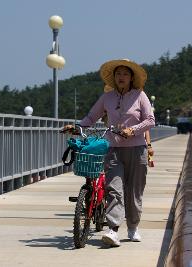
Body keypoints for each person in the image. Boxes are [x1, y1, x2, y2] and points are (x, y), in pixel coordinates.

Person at [66, 59, 155, 247]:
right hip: (113, 149)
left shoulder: (140, 95)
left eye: (125, 74)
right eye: (118, 74)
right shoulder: (107, 97)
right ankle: (113, 229)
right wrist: (77, 127)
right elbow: (91, 117)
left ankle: (133, 227)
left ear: (131, 78)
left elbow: (150, 120)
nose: (121, 77)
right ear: (113, 78)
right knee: (114, 189)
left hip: (137, 149)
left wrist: (133, 130)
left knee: (134, 191)